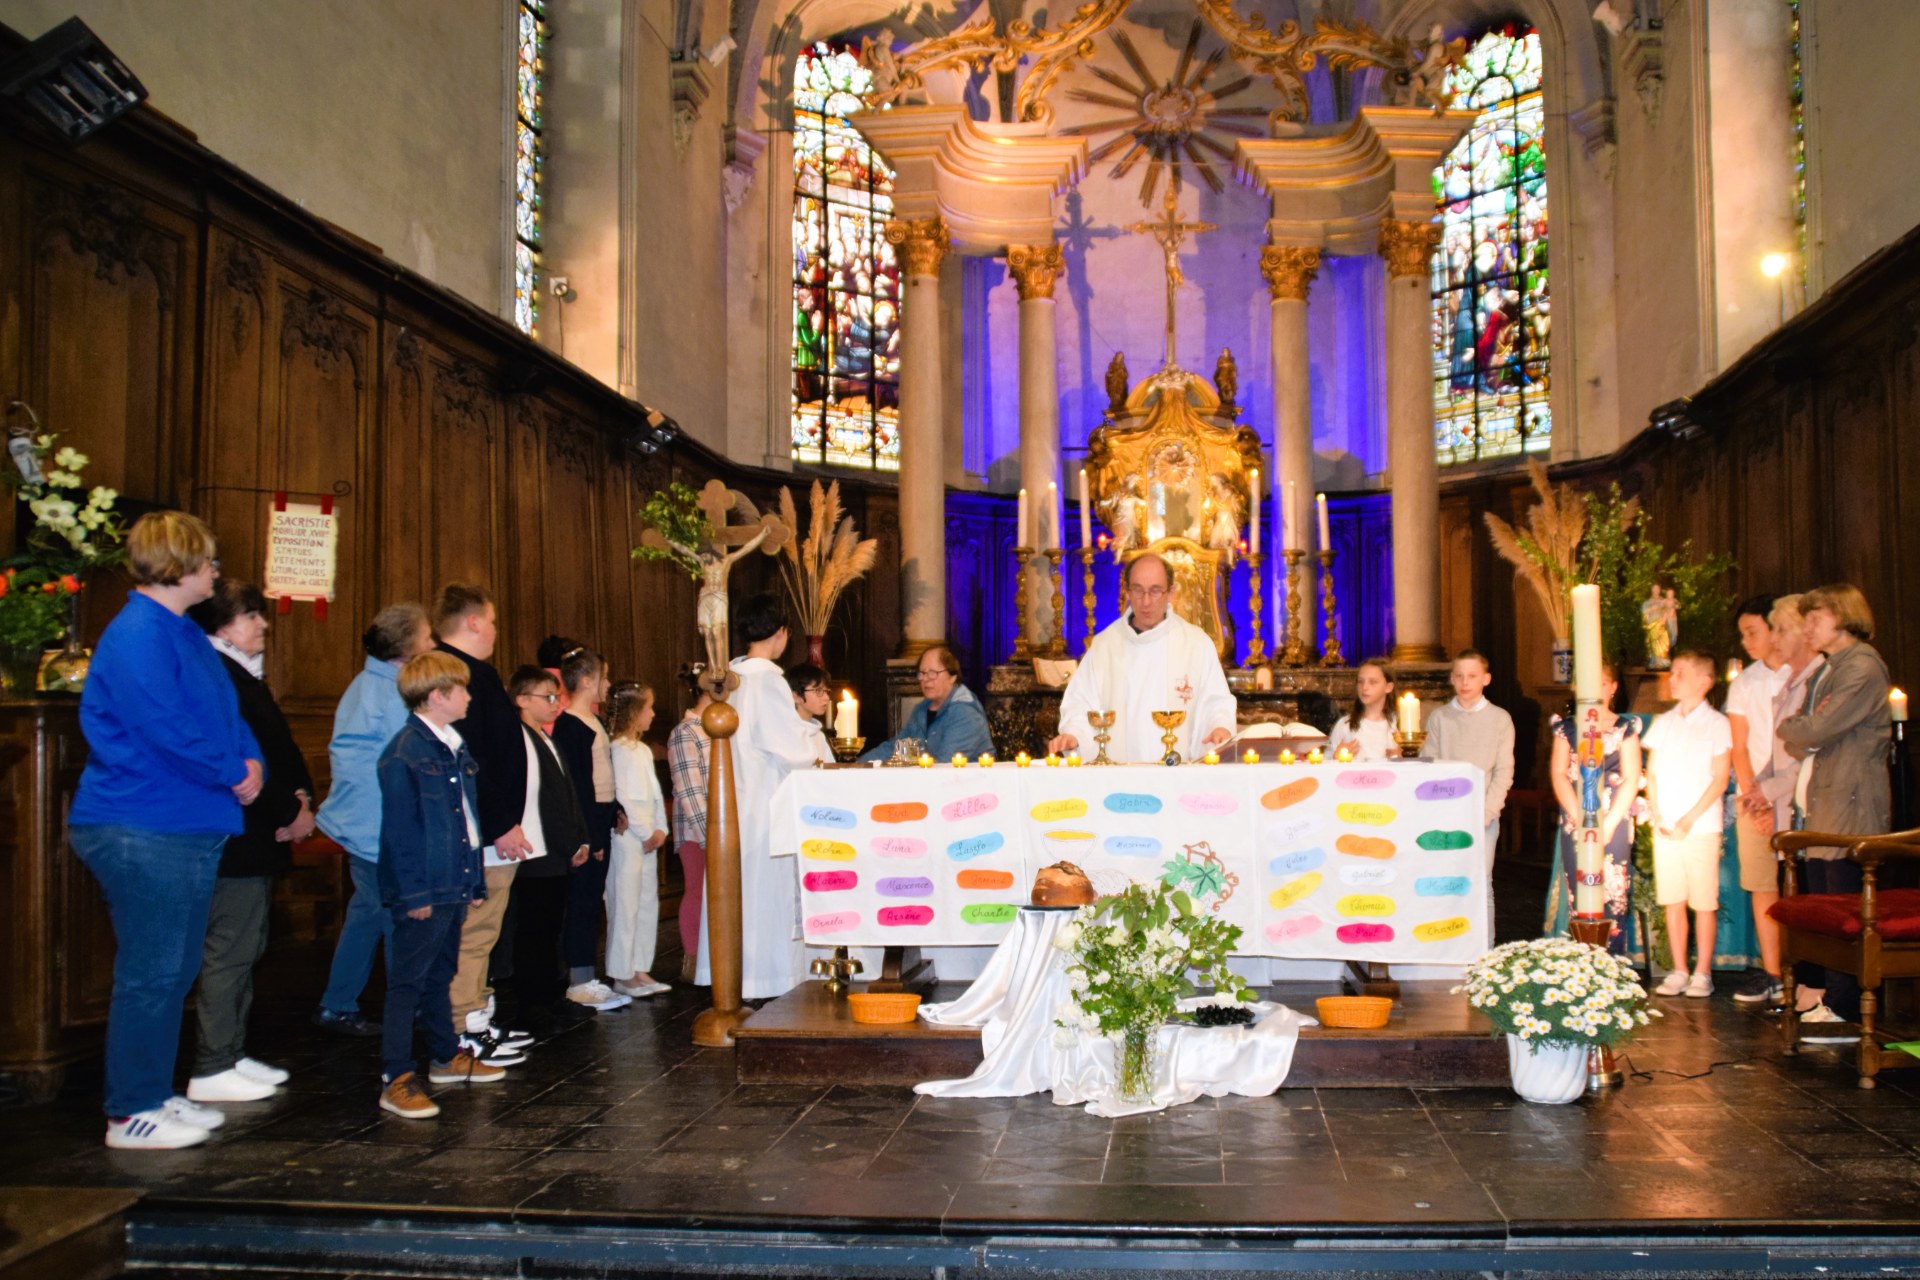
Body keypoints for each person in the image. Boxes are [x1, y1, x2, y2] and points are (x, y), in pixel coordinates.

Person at [67, 511, 264, 1149]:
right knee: (152, 970)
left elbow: (224, 712)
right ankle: (129, 1111)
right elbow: (163, 728)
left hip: (185, 819)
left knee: (175, 968)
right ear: (176, 565)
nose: (215, 571)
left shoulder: (180, 631)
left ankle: (155, 1091)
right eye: (207, 560)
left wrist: (249, 759)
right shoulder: (136, 635)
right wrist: (232, 770)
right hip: (140, 821)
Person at [184, 579, 314, 1104]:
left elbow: (278, 747)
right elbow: (244, 755)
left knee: (248, 945)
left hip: (262, 826)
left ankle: (231, 1053)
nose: (262, 624)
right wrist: (289, 809)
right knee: (230, 949)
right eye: (250, 616)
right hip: (239, 831)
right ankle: (213, 1061)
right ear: (220, 624)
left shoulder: (240, 673)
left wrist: (301, 795)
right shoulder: (219, 674)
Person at [375, 650, 502, 1119]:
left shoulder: (452, 744)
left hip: (453, 879)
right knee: (406, 982)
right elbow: (401, 832)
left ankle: (445, 1057)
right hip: (424, 886)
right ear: (437, 696)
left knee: (440, 975)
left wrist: (472, 878)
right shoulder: (405, 752)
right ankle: (396, 1076)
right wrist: (416, 893)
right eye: (462, 689)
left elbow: (464, 821)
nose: (470, 696)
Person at [696, 593, 833, 999]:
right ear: (780, 634)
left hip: (731, 798)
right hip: (761, 804)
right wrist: (815, 737)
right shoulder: (768, 679)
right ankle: (766, 979)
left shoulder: (729, 676)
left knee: (736, 891)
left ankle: (732, 977)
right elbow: (788, 747)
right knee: (763, 892)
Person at [312, 602, 433, 1036]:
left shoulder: (372, 686)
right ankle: (366, 1003)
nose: (433, 643)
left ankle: (347, 1001)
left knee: (373, 911)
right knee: (385, 913)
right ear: (406, 648)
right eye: (426, 637)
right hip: (374, 825)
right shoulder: (388, 695)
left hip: (368, 823)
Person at [1778, 583, 1893, 1038]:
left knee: (1846, 904)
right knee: (1828, 905)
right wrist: (1799, 728)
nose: (1808, 628)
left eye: (1815, 619)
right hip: (1827, 799)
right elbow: (1801, 728)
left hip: (1851, 802)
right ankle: (1835, 999)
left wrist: (1797, 727)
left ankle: (1848, 1009)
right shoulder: (1831, 668)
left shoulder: (1862, 666)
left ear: (1843, 618)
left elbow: (1813, 727)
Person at [433, 585, 536, 1066]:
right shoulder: (455, 674)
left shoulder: (476, 673)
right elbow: (472, 761)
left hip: (489, 827)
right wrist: (499, 823)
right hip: (478, 831)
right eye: (491, 620)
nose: (494, 629)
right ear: (473, 622)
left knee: (484, 931)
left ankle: (476, 1016)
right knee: (472, 932)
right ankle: (460, 1028)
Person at [507, 665, 625, 1030]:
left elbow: (570, 794)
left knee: (550, 926)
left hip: (561, 847)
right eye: (548, 697)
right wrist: (569, 839)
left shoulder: (547, 738)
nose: (555, 702)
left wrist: (582, 838)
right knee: (535, 930)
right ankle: (533, 1003)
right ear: (522, 700)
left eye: (557, 696)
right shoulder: (519, 740)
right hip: (538, 850)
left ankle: (551, 997)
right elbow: (541, 801)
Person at [1050, 553, 1235, 762]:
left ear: (1171, 593)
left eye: (1155, 591)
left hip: (1179, 777)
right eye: (1138, 590)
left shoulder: (1196, 644)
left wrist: (1219, 726)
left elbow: (1215, 702)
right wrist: (1074, 734)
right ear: (1127, 591)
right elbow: (1080, 701)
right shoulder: (1105, 645)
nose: (1146, 601)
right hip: (1120, 778)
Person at [1748, 593, 1825, 1013]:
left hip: (1811, 808)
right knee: (1796, 901)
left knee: (1814, 902)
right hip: (1787, 811)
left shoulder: (1816, 680)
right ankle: (1804, 986)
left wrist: (1768, 791)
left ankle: (1820, 993)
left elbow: (1806, 757)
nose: (1774, 639)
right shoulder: (1793, 682)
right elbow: (1778, 755)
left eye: (1780, 629)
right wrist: (1759, 789)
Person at [1643, 651, 1733, 998]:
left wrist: (1689, 819)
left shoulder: (1717, 724)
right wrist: (1660, 814)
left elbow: (1720, 778)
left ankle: (1702, 972)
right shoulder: (1664, 723)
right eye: (1673, 672)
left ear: (1704, 682)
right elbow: (1651, 774)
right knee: (1673, 900)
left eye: (1681, 673)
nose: (1673, 678)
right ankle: (1679, 968)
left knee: (1703, 901)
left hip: (1700, 827)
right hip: (1666, 827)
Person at [1542, 660, 1642, 953]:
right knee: (1581, 890)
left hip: (1614, 818)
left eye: (1600, 683)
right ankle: (1583, 960)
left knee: (1613, 890)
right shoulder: (1566, 729)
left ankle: (1612, 961)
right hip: (1576, 818)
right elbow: (1560, 773)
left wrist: (1608, 824)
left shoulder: (1625, 728)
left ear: (1612, 688)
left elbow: (1631, 776)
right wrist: (1578, 816)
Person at [1725, 594, 1790, 1005]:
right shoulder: (1746, 682)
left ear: (1776, 628)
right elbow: (1740, 745)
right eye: (1743, 635)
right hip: (1753, 797)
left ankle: (1803, 973)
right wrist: (1755, 799)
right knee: (1763, 885)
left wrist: (1775, 798)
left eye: (1753, 632)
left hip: (1794, 791)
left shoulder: (1801, 673)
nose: (1747, 641)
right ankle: (1772, 973)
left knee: (1802, 887)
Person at [549, 646, 622, 1007]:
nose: (608, 684)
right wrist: (589, 836)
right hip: (587, 826)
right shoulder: (570, 725)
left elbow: (602, 776)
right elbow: (577, 786)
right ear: (589, 680)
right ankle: (578, 978)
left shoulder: (592, 720)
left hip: (600, 819)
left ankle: (586, 974)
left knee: (593, 902)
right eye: (604, 677)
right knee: (583, 902)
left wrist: (615, 809)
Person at [1419, 649, 1516, 864]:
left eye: (1472, 676)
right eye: (1459, 676)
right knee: (1445, 875)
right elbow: (1430, 762)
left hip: (1482, 812)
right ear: (1452, 678)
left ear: (1486, 679)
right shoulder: (1439, 717)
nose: (1465, 682)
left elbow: (1504, 770)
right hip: (1444, 809)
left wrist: (1487, 811)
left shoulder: (1500, 719)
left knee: (1480, 881)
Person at [605, 681, 670, 998]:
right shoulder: (618, 750)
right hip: (629, 839)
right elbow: (624, 797)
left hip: (647, 838)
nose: (653, 714)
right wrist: (646, 832)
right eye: (648, 708)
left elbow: (656, 795)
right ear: (633, 713)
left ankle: (640, 967)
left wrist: (660, 829)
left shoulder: (642, 750)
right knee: (625, 904)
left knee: (646, 904)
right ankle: (621, 973)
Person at [859, 644, 994, 763]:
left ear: (953, 677)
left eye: (933, 673)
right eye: (922, 673)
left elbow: (945, 763)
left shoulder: (965, 713)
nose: (925, 679)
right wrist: (858, 766)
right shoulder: (921, 710)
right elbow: (895, 748)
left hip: (965, 787)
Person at [666, 664, 711, 982]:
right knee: (697, 889)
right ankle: (693, 959)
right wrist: (711, 832)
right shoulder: (686, 732)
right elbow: (689, 788)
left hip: (721, 826)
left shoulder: (719, 727)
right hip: (699, 829)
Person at [1327, 658, 1401, 762]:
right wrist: (1336, 757)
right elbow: (1325, 763)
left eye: (1373, 682)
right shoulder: (1345, 725)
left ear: (1388, 687)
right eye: (1360, 682)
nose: (1364, 687)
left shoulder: (1399, 726)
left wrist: (1403, 757)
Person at [784, 662, 836, 763]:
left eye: (827, 691)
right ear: (796, 696)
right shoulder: (784, 733)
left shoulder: (819, 736)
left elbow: (830, 773)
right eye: (818, 691)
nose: (827, 698)